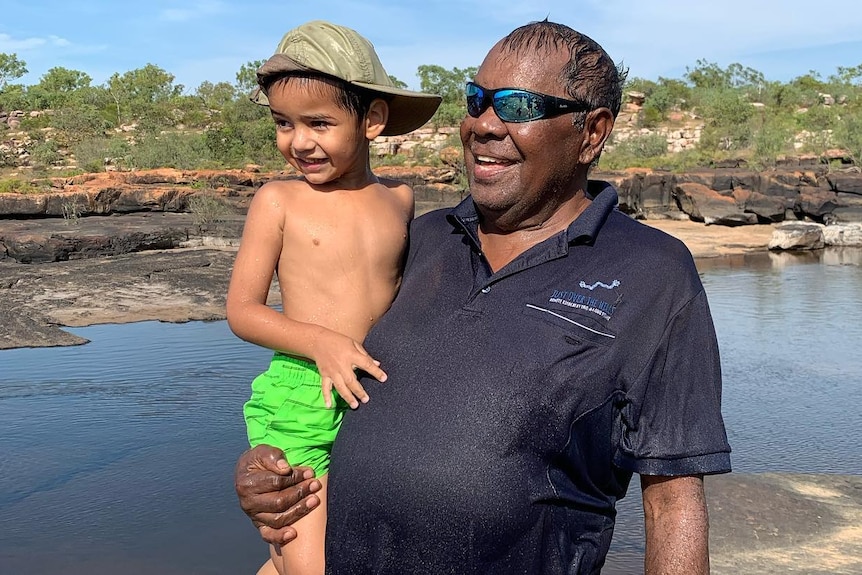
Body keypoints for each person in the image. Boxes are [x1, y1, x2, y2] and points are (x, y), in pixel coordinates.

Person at [235, 19, 731, 575]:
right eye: (477, 100)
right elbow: (342, 388)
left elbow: (672, 501)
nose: (484, 125)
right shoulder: (420, 240)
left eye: (518, 105)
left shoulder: (652, 274)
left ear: (590, 132)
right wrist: (267, 470)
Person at [226, 20, 440, 575]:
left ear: (371, 121)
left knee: (350, 549)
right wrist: (319, 341)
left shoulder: (400, 199)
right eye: (283, 124)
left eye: (319, 123)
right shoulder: (278, 201)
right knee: (314, 562)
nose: (298, 142)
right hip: (301, 396)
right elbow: (242, 311)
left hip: (375, 396)